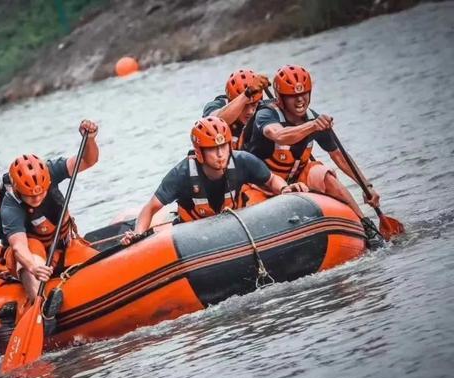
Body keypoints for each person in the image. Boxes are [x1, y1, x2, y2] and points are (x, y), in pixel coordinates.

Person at [246, 64, 383, 248]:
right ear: (280, 98)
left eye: (304, 94)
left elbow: (339, 156)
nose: (300, 100)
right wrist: (312, 127)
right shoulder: (266, 114)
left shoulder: (314, 118)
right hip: (262, 183)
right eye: (293, 96)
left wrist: (367, 187)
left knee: (323, 173)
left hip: (295, 178)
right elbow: (279, 135)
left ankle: (365, 225)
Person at [121, 116, 307, 244]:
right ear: (200, 152)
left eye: (223, 147)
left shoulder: (242, 160)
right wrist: (138, 235)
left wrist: (285, 190)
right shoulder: (182, 173)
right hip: (193, 236)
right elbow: (150, 208)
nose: (220, 154)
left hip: (235, 226)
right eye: (212, 149)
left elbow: (272, 181)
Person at [0, 120, 100, 305]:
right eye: (30, 196)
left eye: (41, 192)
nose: (37, 198)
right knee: (30, 261)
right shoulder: (10, 206)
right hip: (32, 251)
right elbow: (19, 247)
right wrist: (33, 267)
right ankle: (40, 304)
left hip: (63, 245)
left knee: (98, 265)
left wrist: (90, 140)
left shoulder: (51, 170)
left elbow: (88, 161)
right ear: (18, 191)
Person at [202, 69, 271, 150]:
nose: (250, 112)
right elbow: (214, 122)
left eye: (253, 104)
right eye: (244, 106)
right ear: (230, 101)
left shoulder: (265, 108)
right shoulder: (216, 105)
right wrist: (247, 94)